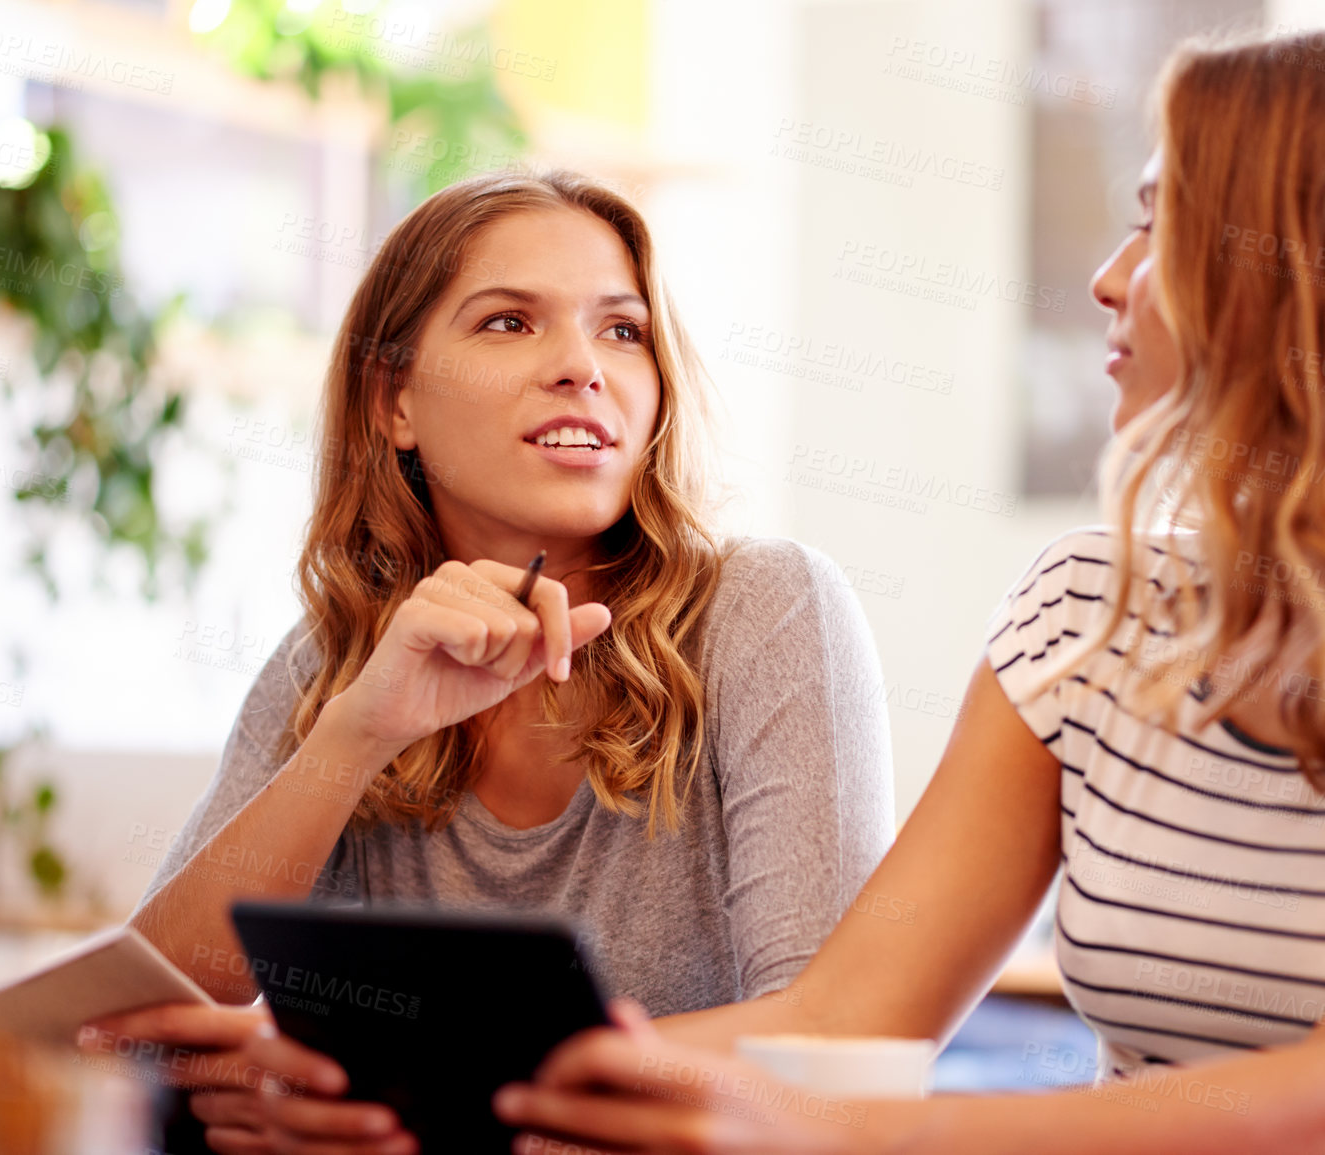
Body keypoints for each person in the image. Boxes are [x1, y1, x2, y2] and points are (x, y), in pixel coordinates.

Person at [487, 30, 1325, 1154]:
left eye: (1160, 227)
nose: (1107, 280)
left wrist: (847, 1133)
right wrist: (436, 1085)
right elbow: (843, 1020)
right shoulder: (1085, 610)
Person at [101, 167, 896, 1154]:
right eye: (508, 323)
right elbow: (146, 1020)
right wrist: (354, 736)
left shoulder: (764, 611)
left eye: (622, 329)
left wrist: (388, 1081)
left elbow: (830, 1036)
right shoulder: (331, 657)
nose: (582, 366)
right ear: (394, 402)